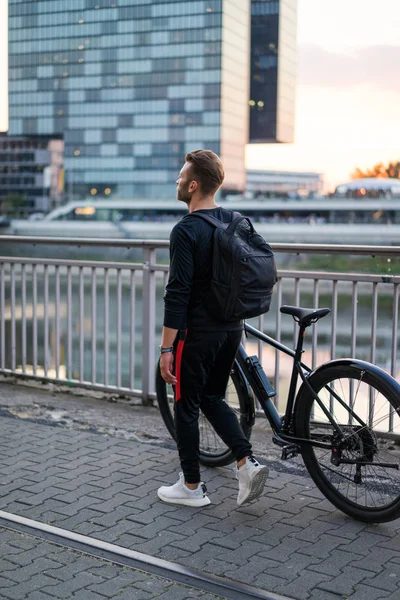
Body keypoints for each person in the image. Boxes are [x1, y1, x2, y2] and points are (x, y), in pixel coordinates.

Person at [157, 149, 268, 508]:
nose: (176, 181)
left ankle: (191, 487)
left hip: (197, 333)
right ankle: (246, 463)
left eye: (180, 176)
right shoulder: (233, 220)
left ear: (192, 185)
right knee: (212, 397)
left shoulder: (186, 230)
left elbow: (178, 293)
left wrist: (166, 349)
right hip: (231, 330)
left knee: (186, 406)